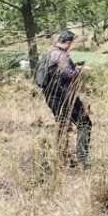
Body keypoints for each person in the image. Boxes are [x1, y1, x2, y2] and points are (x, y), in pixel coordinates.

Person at [41, 30, 92, 166]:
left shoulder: (49, 53)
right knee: (85, 123)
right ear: (68, 42)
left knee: (62, 125)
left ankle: (62, 159)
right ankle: (83, 159)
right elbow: (69, 75)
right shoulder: (61, 55)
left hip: (51, 97)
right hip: (65, 97)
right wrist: (79, 68)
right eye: (71, 43)